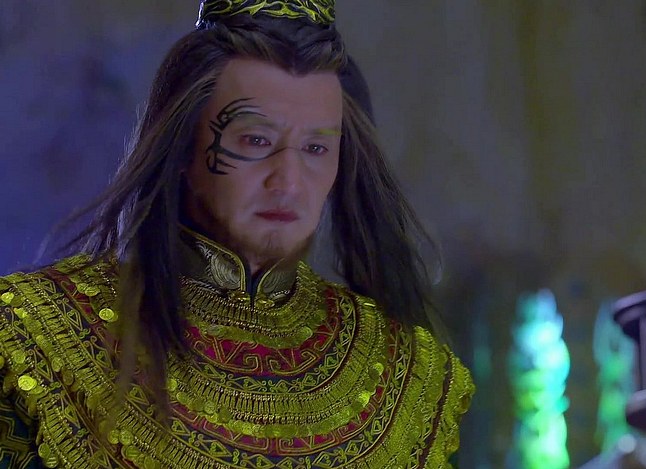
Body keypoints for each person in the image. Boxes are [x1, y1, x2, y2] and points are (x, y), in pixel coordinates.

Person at [0, 0, 474, 467]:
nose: (288, 183)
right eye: (256, 141)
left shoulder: (409, 374)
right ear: (182, 146)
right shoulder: (35, 336)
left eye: (315, 148)